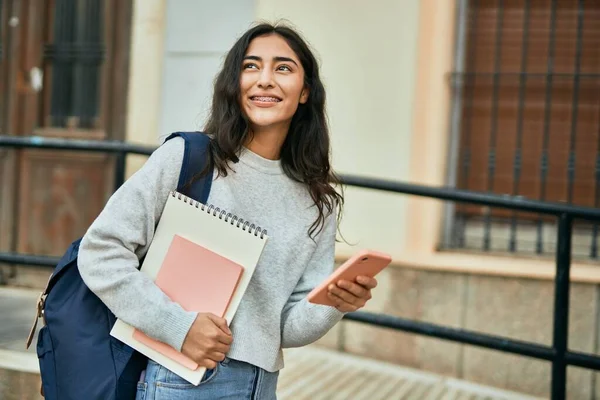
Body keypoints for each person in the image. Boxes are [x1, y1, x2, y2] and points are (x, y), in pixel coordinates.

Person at [78, 22, 378, 399]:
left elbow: (281, 327)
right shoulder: (188, 159)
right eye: (251, 66)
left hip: (261, 386)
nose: (265, 80)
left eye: (283, 68)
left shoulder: (317, 200)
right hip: (179, 379)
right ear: (234, 84)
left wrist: (333, 304)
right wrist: (179, 326)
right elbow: (99, 252)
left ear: (305, 92)